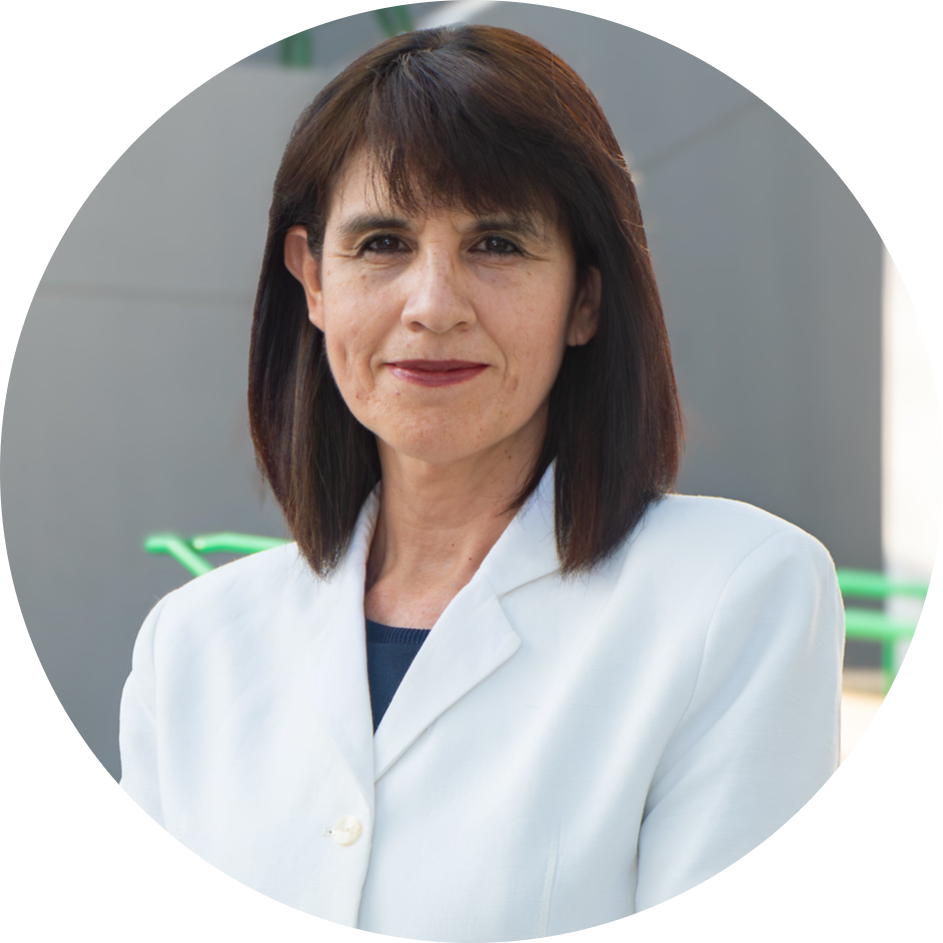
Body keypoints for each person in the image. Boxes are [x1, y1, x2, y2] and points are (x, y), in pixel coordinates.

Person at [118, 25, 844, 936]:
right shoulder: (191, 645)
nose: (432, 306)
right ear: (313, 282)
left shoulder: (737, 595)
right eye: (382, 242)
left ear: (585, 296)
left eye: (496, 243)